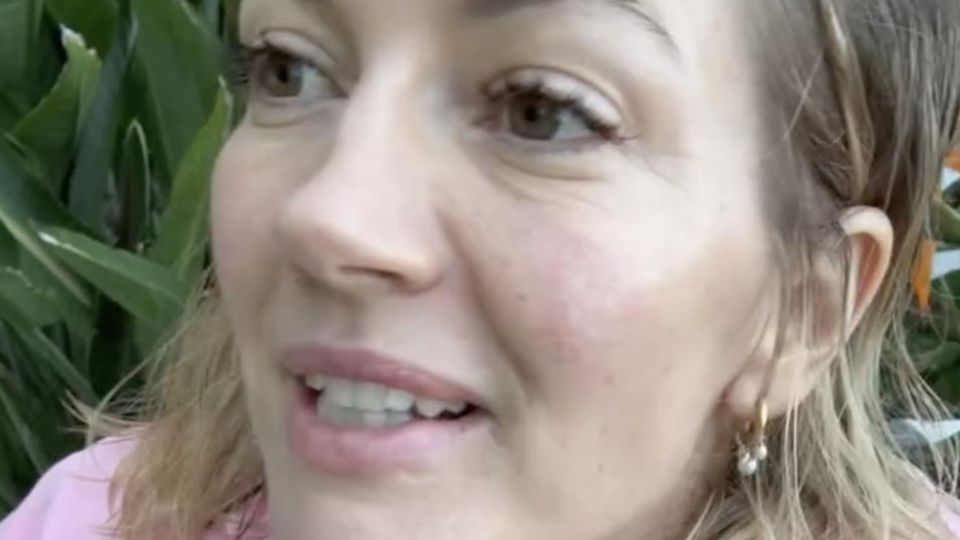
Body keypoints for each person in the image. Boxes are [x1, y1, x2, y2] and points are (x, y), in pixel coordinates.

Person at [3, 0, 960, 538]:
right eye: (288, 68)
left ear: (800, 311)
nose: (327, 215)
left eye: (546, 112)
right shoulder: (99, 518)